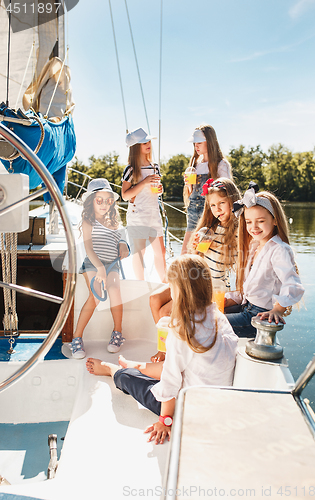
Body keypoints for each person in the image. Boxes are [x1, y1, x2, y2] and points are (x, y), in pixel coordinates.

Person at [85, 254, 238, 444]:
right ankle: (138, 365)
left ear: (179, 292)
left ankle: (114, 370)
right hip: (214, 401)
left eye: (171, 287)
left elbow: (171, 381)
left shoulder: (182, 330)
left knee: (129, 379)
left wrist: (165, 420)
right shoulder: (218, 318)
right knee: (172, 365)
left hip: (187, 406)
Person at [149, 176, 240, 363]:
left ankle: (168, 353)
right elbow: (197, 262)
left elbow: (236, 270)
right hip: (194, 278)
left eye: (222, 203)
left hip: (211, 288)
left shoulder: (238, 232)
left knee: (166, 312)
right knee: (154, 299)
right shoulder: (209, 229)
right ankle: (167, 348)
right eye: (213, 205)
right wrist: (195, 250)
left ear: (233, 200)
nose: (217, 210)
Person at [224, 182, 305, 338]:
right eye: (248, 222)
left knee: (208, 325)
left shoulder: (279, 249)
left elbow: (293, 284)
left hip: (257, 316)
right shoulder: (255, 246)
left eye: (260, 221)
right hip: (246, 308)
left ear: (275, 220)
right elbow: (254, 289)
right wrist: (230, 299)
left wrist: (278, 309)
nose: (254, 227)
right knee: (205, 314)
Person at [68, 178, 129, 359]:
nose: (103, 204)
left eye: (107, 200)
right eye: (98, 200)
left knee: (115, 292)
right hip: (93, 264)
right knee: (95, 297)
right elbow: (88, 249)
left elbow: (122, 237)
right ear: (91, 202)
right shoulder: (88, 221)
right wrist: (100, 268)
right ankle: (76, 337)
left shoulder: (115, 221)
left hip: (112, 264)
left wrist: (123, 244)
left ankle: (117, 333)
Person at [121, 127, 166, 282]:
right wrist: (144, 182)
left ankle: (164, 283)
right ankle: (141, 285)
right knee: (140, 253)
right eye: (143, 142)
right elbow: (125, 195)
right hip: (137, 214)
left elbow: (157, 191)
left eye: (148, 141)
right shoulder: (130, 169)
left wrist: (160, 190)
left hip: (154, 212)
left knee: (161, 252)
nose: (148, 144)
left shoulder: (155, 167)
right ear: (135, 147)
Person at [181, 124, 232, 255]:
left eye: (199, 142)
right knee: (185, 253)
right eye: (194, 143)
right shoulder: (195, 164)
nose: (195, 146)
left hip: (210, 215)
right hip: (193, 213)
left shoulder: (221, 165)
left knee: (202, 253)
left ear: (209, 141)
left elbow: (227, 192)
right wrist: (188, 185)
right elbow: (191, 194)